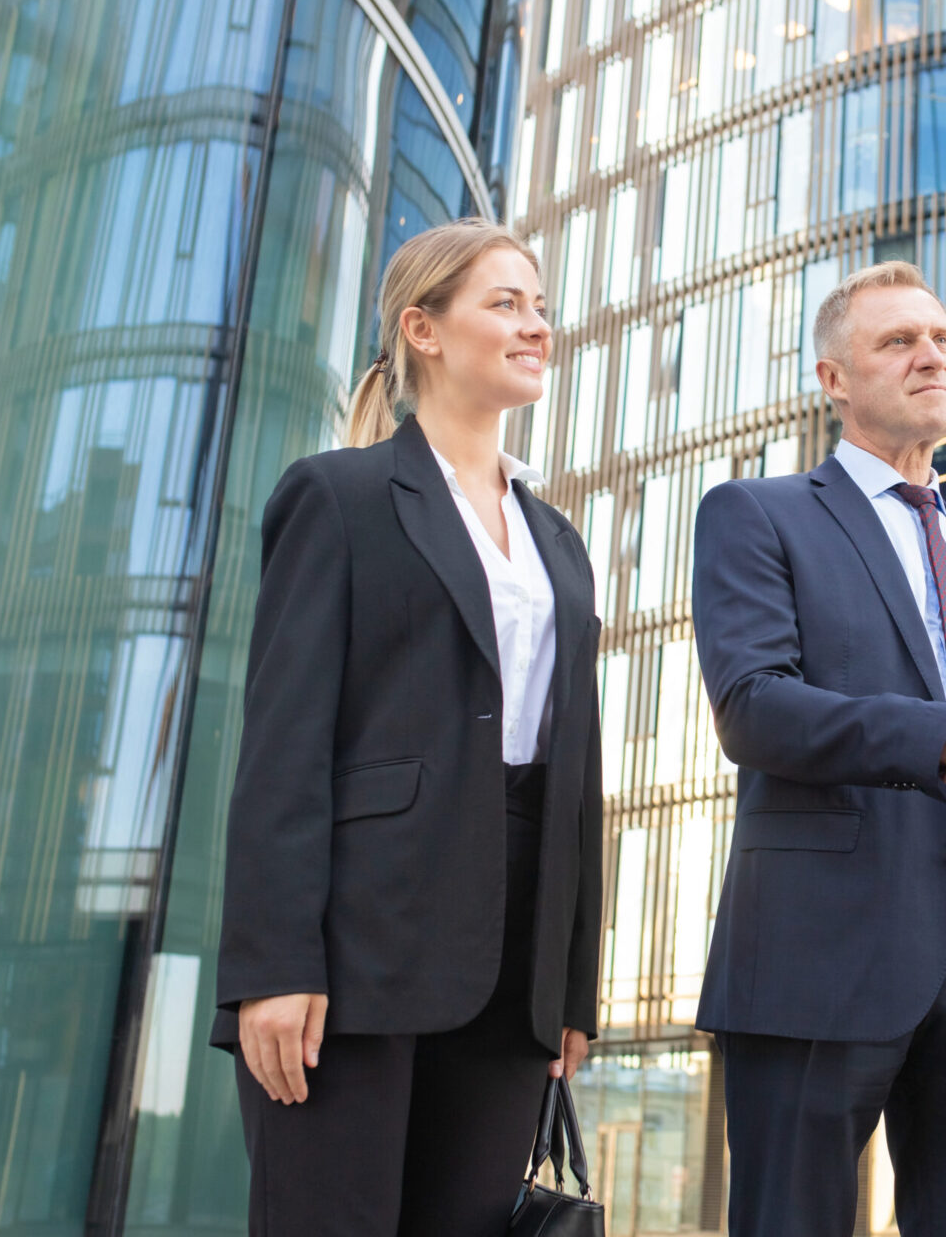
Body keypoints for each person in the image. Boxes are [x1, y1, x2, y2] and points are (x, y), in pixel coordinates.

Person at [209, 218, 605, 1233]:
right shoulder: (337, 497)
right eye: (506, 303)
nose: (537, 326)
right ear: (422, 330)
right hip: (357, 953)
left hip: (514, 963)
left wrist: (572, 984)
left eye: (541, 306)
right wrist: (275, 964)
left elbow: (576, 777)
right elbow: (284, 746)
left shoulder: (559, 541)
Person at [690, 261, 946, 1234]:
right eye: (898, 341)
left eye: (944, 339)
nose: (931, 356)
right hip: (817, 936)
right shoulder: (758, 512)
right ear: (833, 377)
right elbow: (754, 707)